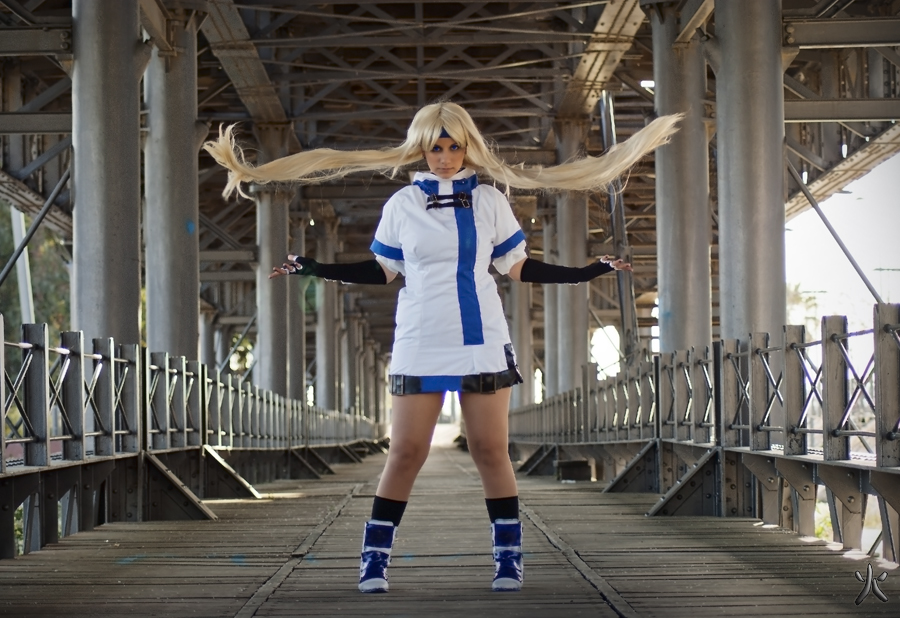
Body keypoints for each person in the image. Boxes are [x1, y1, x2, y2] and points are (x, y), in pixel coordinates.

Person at [204, 101, 679, 594]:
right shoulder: (402, 204)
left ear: (468, 148)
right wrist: (316, 268)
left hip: (481, 338)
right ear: (421, 149)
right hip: (419, 338)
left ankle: (509, 558)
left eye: (454, 147)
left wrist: (584, 272)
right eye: (436, 148)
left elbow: (517, 266)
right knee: (406, 451)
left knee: (490, 450)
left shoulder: (491, 201)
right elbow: (383, 270)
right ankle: (374, 559)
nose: (446, 157)